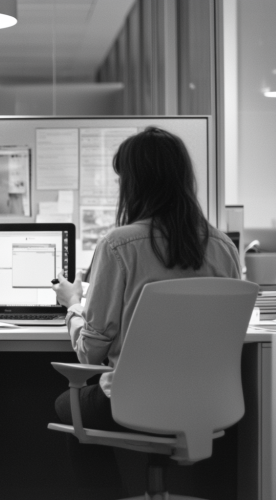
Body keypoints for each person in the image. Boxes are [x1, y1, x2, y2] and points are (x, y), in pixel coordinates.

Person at [52, 127, 241, 499]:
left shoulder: (119, 245)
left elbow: (90, 351)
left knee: (67, 403)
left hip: (135, 402)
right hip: (211, 403)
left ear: (134, 184)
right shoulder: (224, 247)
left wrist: (74, 304)